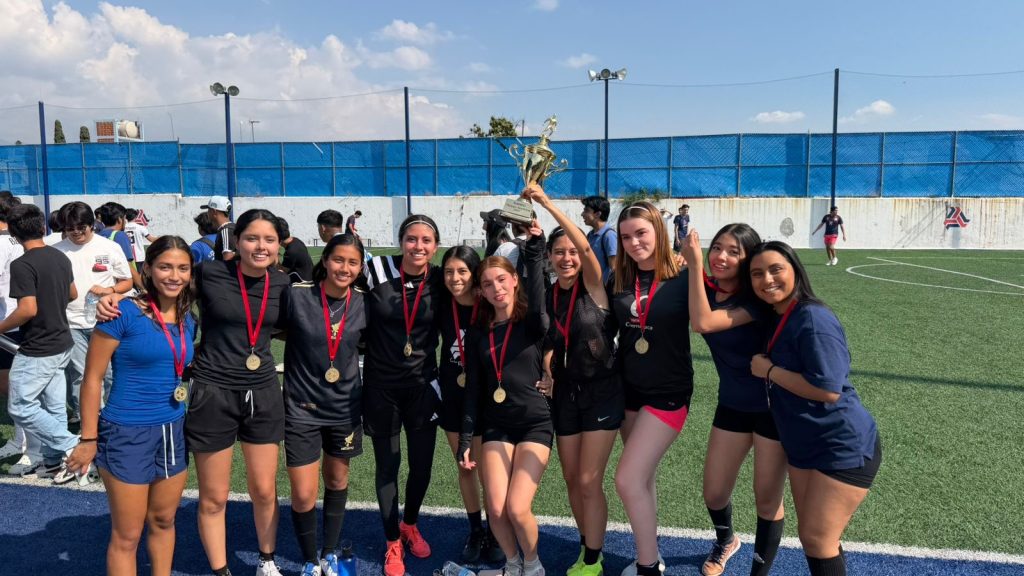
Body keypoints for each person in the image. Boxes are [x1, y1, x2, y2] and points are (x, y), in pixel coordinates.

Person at [99, 209, 291, 576]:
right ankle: (221, 570)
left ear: (278, 245)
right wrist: (116, 299)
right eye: (252, 238)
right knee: (215, 495)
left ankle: (267, 561)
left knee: (265, 490)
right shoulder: (210, 273)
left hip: (263, 391)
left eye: (269, 239)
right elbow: (166, 288)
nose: (260, 246)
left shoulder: (282, 283)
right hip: (213, 391)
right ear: (237, 240)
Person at [64, 235, 197, 576]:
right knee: (127, 534)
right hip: (126, 432)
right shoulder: (121, 312)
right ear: (147, 269)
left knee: (164, 520)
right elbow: (92, 378)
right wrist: (88, 438)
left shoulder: (188, 317)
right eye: (165, 267)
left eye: (182, 268)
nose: (174, 276)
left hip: (172, 429)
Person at [748, 241, 880, 576]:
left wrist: (769, 371)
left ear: (795, 269)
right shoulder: (780, 315)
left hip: (840, 442)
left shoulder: (812, 317)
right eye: (757, 274)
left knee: (817, 539)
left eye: (776, 269)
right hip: (805, 442)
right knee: (818, 538)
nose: (767, 279)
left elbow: (828, 389)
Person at [682, 226, 787, 576]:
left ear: (747, 260)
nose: (721, 257)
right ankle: (726, 540)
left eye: (733, 252)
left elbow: (703, 323)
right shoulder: (705, 288)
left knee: (767, 500)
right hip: (732, 404)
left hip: (772, 409)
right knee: (714, 493)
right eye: (716, 248)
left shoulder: (755, 298)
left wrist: (694, 264)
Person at [529, 185, 621, 576]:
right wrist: (548, 370)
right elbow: (553, 340)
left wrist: (548, 204)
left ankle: (593, 561)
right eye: (559, 252)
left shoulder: (595, 286)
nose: (567, 258)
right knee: (571, 478)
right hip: (566, 394)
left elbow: (585, 246)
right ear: (550, 257)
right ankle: (588, 545)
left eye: (572, 252)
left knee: (587, 479)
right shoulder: (551, 294)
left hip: (602, 393)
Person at [458, 206, 549, 576]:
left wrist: (536, 247)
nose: (496, 288)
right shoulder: (479, 333)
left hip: (534, 424)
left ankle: (534, 565)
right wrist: (467, 438)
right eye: (487, 284)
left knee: (517, 507)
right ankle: (513, 564)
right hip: (496, 426)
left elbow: (539, 294)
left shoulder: (531, 323)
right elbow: (474, 390)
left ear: (514, 280)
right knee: (495, 509)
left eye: (501, 280)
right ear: (480, 291)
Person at [611, 201, 692, 576]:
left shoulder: (685, 276)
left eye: (641, 233)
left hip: (667, 393)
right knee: (642, 478)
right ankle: (651, 554)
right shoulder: (619, 280)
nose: (633, 243)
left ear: (659, 231)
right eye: (626, 237)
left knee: (627, 479)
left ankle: (646, 567)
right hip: (628, 391)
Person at [362, 214, 444, 576]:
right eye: (412, 239)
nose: (418, 246)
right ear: (400, 241)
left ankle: (410, 524)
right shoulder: (376, 269)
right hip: (381, 387)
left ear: (435, 246)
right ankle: (392, 540)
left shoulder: (440, 279)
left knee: (422, 465)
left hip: (423, 387)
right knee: (388, 466)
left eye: (426, 240)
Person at [283, 233, 368, 576]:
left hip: (344, 408)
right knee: (304, 494)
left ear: (360, 268)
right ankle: (308, 560)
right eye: (338, 260)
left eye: (353, 262)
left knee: (336, 480)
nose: (344, 268)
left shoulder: (364, 303)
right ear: (325, 260)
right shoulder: (296, 295)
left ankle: (329, 553)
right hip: (301, 408)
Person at [1, 203, 81, 480]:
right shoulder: (60, 256)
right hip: (62, 340)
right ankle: (54, 461)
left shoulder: (22, 264)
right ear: (43, 227)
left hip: (39, 346)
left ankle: (73, 445)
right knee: (53, 407)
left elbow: (27, 309)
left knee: (20, 406)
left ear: (13, 234)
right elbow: (72, 293)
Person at [438, 244, 503, 565]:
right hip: (453, 397)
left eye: (462, 271)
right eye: (449, 271)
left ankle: (495, 532)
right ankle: (476, 530)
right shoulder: (441, 304)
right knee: (465, 467)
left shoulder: (489, 305)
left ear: (474, 274)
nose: (455, 278)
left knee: (490, 472)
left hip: (487, 399)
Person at [55, 201, 133, 423]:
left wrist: (110, 290)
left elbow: (127, 281)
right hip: (71, 322)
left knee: (109, 373)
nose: (76, 232)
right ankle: (88, 423)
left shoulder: (109, 247)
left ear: (92, 224)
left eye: (81, 227)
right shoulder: (57, 252)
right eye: (70, 228)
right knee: (80, 375)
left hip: (106, 320)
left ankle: (111, 419)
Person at [0, 193, 26, 461]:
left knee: (13, 384)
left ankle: (23, 438)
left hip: (7, 320)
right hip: (19, 317)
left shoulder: (1, 243)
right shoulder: (20, 239)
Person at [95, 202, 144, 291]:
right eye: (125, 218)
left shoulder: (97, 236)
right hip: (120, 286)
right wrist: (142, 287)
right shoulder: (119, 236)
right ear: (119, 220)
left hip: (103, 284)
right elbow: (128, 265)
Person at [581, 196, 617, 283]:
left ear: (597, 214)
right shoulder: (590, 235)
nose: (582, 214)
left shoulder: (609, 235)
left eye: (586, 211)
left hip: (604, 288)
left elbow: (614, 268)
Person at [279, 217, 314, 283]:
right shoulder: (296, 240)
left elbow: (282, 271)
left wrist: (275, 256)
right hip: (310, 276)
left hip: (303, 281)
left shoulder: (291, 251)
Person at [202, 195, 235, 261]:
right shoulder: (232, 227)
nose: (207, 213)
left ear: (214, 212)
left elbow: (227, 258)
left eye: (209, 210)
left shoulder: (226, 230)